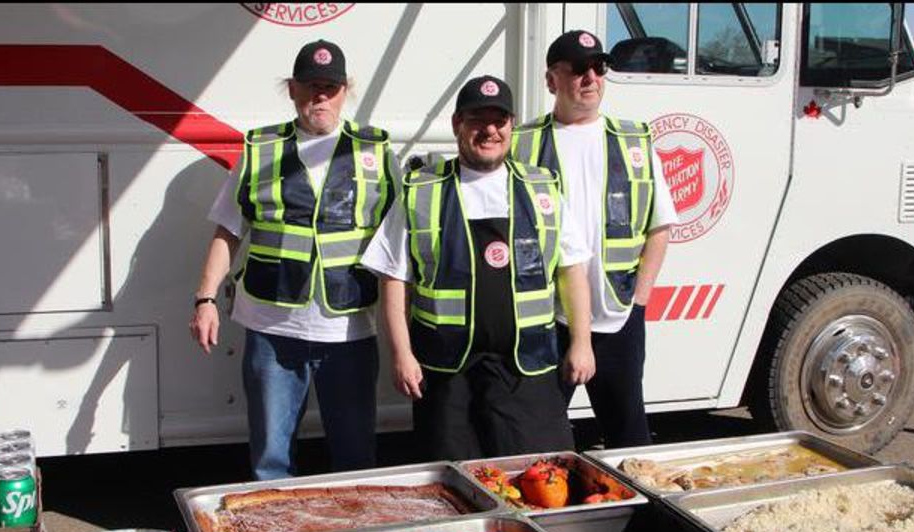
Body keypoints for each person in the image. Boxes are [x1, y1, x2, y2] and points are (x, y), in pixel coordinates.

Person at [190, 40, 399, 479]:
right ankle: (272, 525)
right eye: (310, 86)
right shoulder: (260, 149)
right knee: (271, 460)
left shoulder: (377, 152)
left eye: (330, 87)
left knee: (355, 459)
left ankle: (351, 524)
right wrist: (205, 299)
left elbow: (400, 244)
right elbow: (228, 229)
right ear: (292, 89)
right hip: (272, 330)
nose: (320, 96)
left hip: (349, 332)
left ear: (345, 91)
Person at [361, 75, 595, 460]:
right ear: (457, 124)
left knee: (539, 472)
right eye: (477, 120)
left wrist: (582, 343)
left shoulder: (542, 188)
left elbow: (571, 271)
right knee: (451, 477)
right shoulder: (422, 190)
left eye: (498, 121)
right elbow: (393, 278)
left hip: (526, 366)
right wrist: (402, 354)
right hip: (447, 371)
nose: (489, 131)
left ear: (511, 125)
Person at [511, 30, 679, 449]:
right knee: (539, 442)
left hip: (618, 317)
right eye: (578, 69)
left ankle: (633, 497)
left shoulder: (633, 141)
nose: (590, 78)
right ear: (551, 80)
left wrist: (639, 300)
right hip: (549, 318)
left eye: (599, 68)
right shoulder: (523, 143)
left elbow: (659, 226)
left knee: (629, 438)